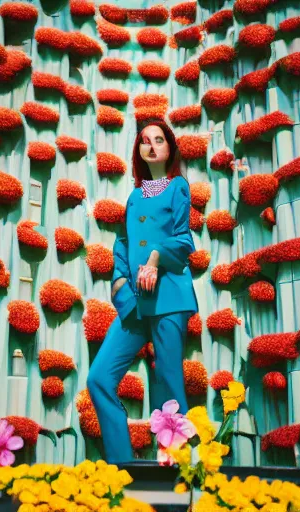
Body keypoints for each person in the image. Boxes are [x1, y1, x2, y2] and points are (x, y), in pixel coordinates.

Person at [87, 119, 199, 464]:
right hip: (135, 302)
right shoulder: (134, 197)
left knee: (168, 385)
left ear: (170, 148)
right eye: (145, 141)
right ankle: (124, 467)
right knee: (99, 378)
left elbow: (184, 240)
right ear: (138, 150)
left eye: (159, 139)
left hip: (168, 297)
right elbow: (123, 244)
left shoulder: (178, 187)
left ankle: (178, 479)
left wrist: (154, 258)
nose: (151, 145)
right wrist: (120, 286)